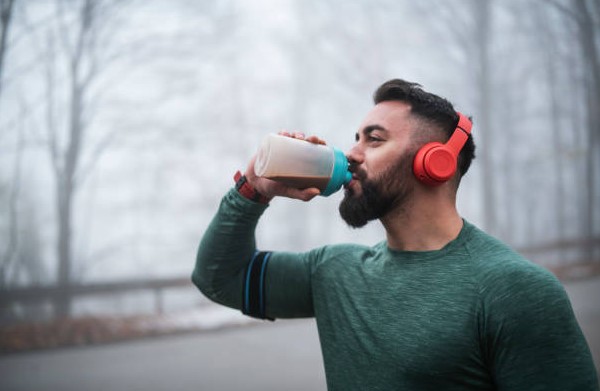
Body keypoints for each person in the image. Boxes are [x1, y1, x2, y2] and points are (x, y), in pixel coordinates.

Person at [192, 79, 599, 390]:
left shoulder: (514, 290)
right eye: (356, 138)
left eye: (374, 139)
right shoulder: (334, 272)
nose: (351, 153)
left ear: (433, 163)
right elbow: (220, 278)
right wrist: (252, 188)